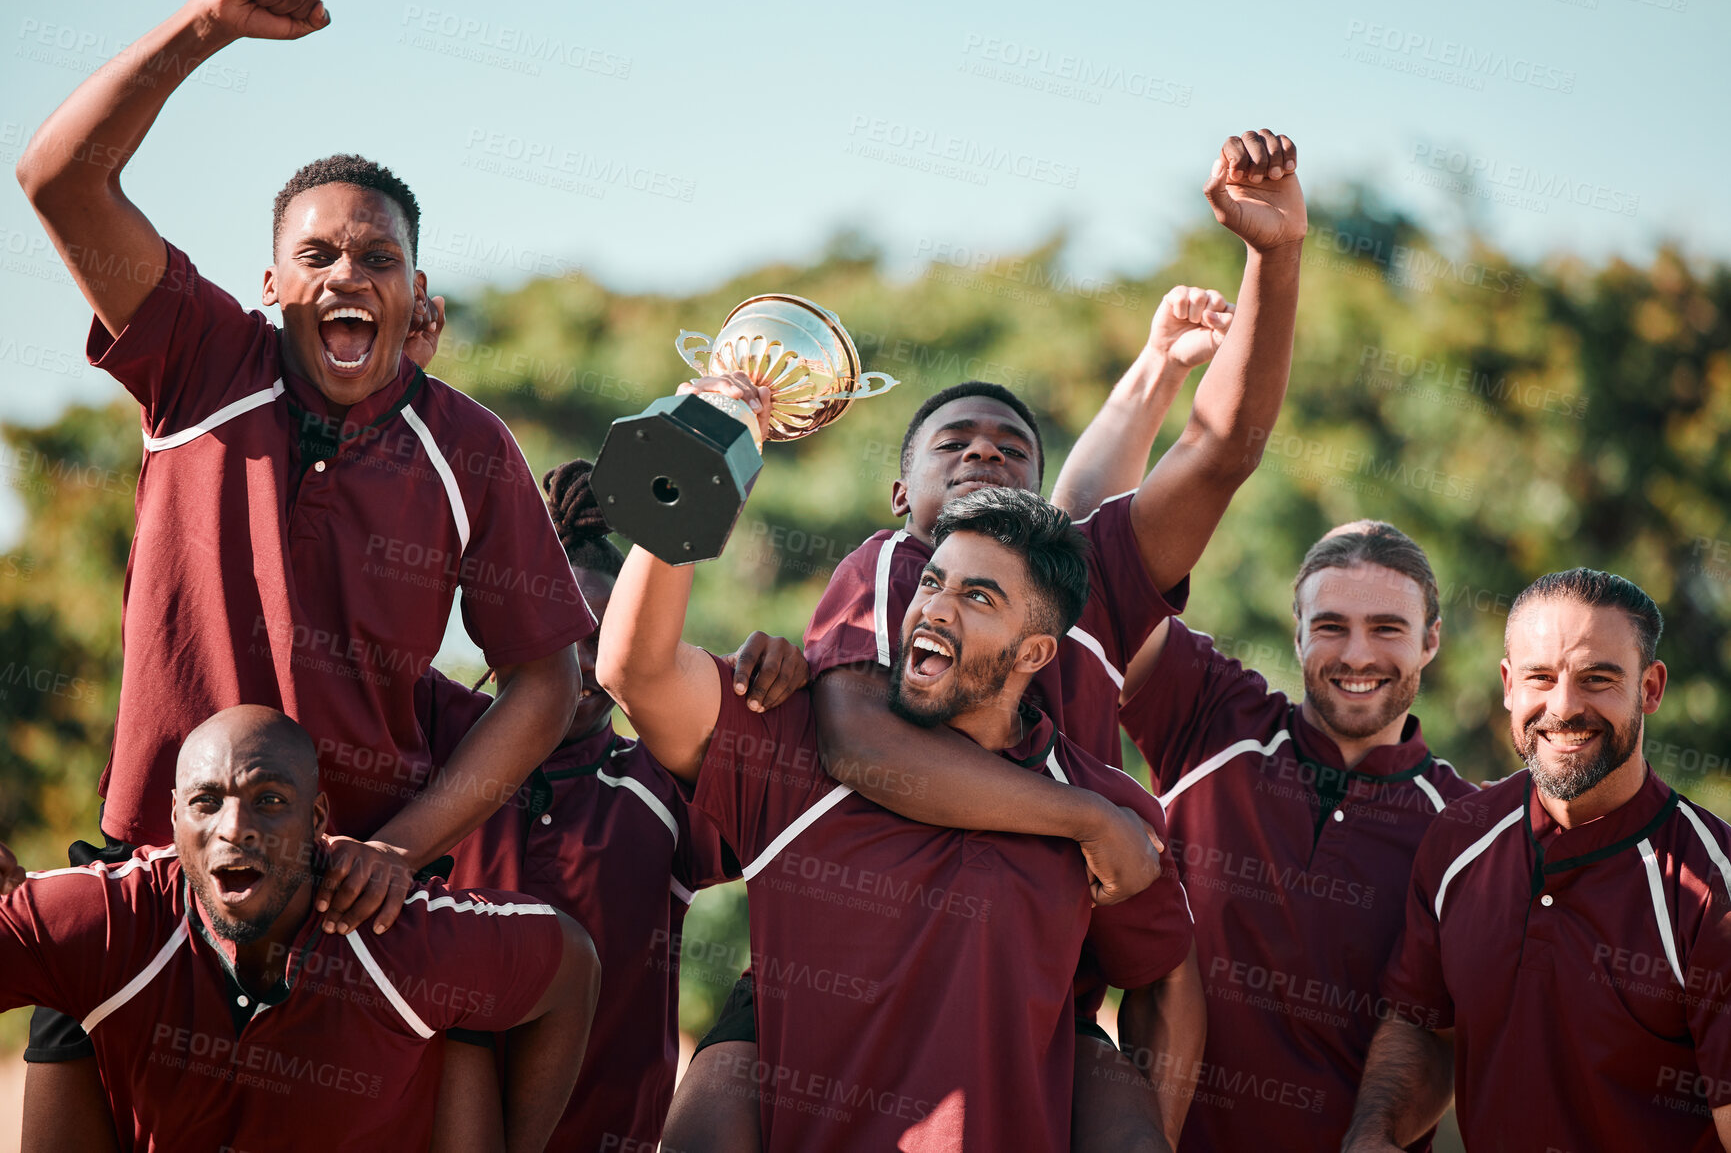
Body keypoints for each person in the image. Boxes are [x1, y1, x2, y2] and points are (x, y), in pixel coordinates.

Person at [14, 0, 593, 1133]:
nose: (347, 274)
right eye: (316, 253)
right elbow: (56, 180)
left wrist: (400, 848)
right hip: (156, 871)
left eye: (379, 257)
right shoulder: (198, 359)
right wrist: (210, 24)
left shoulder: (468, 447)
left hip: (353, 898)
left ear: (416, 296)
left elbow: (546, 682)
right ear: (272, 284)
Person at [670, 127, 1304, 1151]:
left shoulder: (1082, 576)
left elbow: (1220, 447)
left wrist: (1272, 258)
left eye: (1010, 448)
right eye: (951, 441)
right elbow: (866, 750)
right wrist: (1085, 820)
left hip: (1034, 972)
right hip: (850, 974)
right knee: (715, 1102)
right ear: (900, 494)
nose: (981, 450)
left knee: (1134, 1073)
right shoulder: (891, 569)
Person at [599, 483, 1200, 1152]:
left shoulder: (1108, 805)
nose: (934, 609)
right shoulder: (791, 745)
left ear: (1032, 653)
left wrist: (1146, 1126)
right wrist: (695, 464)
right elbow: (634, 669)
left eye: (977, 597)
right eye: (932, 582)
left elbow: (1163, 975)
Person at [419, 458, 807, 1152]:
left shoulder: (660, 786)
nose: (579, 662)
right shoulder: (431, 737)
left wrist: (781, 677)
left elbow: (789, 795)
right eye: (557, 632)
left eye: (601, 640)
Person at [0, 705, 600, 1151]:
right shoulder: (111, 917)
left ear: (317, 818)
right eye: (208, 802)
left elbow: (574, 966)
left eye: (269, 800)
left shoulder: (402, 936)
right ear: (175, 815)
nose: (236, 828)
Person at [1105, 521, 1474, 1151]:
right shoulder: (1212, 717)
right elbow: (1099, 577)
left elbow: (1442, 1037)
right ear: (1297, 631)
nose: (1357, 655)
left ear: (1431, 640)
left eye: (1387, 628)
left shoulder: (1468, 831)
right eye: (1331, 626)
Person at [1345, 569, 1731, 1152]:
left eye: (1597, 679)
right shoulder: (1458, 840)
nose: (1564, 706)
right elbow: (1425, 1025)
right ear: (1507, 685)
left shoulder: (1713, 890)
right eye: (1540, 678)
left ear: (1650, 688)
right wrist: (1372, 1136)